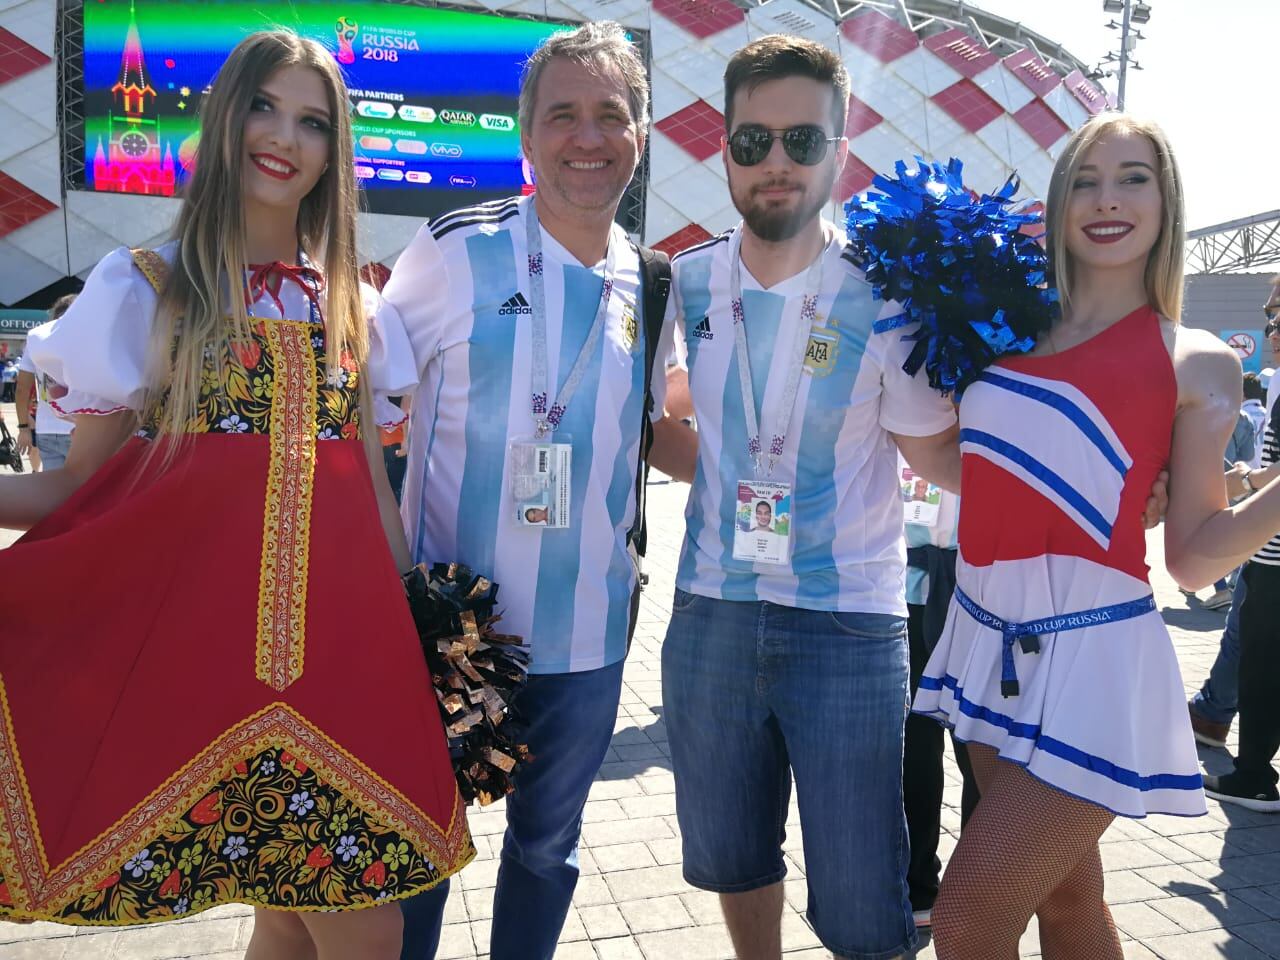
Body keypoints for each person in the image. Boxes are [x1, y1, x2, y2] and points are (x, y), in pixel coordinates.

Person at [0, 31, 473, 953]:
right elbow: (79, 489)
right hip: (206, 659)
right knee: (334, 915)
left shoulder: (352, 304)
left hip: (348, 652)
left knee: (324, 907)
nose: (284, 138)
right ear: (224, 117)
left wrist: (419, 625)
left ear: (335, 151)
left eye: (312, 121)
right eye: (264, 106)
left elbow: (375, 492)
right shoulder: (148, 288)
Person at [913, 112, 1280, 959]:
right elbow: (951, 458)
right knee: (1071, 897)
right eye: (1085, 178)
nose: (1106, 199)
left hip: (1094, 664)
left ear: (1167, 201)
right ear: (1058, 198)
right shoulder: (996, 333)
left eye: (1133, 178)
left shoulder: (1196, 361)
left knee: (967, 922)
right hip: (985, 644)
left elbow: (1192, 556)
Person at [382, 23, 695, 960]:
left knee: (547, 849)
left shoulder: (653, 280)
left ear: (640, 135)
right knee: (419, 853)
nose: (587, 137)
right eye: (563, 114)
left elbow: (648, 434)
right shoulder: (452, 252)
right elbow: (359, 410)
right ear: (526, 134)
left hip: (590, 636)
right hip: (451, 633)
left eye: (611, 115)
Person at [661, 36, 962, 960]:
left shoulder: (887, 296)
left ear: (840, 147)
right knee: (729, 853)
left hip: (848, 625)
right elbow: (670, 438)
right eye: (753, 142)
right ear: (725, 151)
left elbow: (936, 454)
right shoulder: (686, 283)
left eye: (802, 140)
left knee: (867, 889)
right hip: (712, 610)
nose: (777, 163)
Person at [901, 483, 978, 929]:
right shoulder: (901, 411)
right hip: (905, 592)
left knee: (979, 750)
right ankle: (917, 885)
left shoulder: (996, 411)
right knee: (913, 746)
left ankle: (975, 889)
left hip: (982, 597)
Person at [1204, 393, 1280, 811]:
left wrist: (1247, 481)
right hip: (1268, 557)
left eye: (1277, 324)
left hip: (1273, 560)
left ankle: (1254, 776)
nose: (1272, 333)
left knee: (1263, 673)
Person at [15, 295, 78, 472]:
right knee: (81, 489)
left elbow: (22, 389)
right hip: (78, 428)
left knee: (53, 488)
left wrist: (23, 428)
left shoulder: (37, 338)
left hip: (46, 428)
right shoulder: (83, 338)